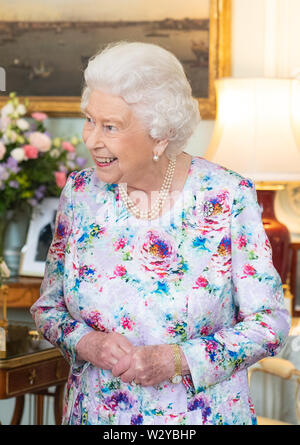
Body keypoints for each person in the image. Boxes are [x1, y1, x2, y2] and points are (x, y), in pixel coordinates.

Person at [30, 41, 290, 426]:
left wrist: (178, 359)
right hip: (96, 414)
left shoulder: (226, 195)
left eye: (111, 126)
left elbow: (270, 323)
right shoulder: (81, 193)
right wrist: (89, 343)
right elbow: (48, 309)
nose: (91, 139)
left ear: (160, 133)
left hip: (199, 418)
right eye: (90, 119)